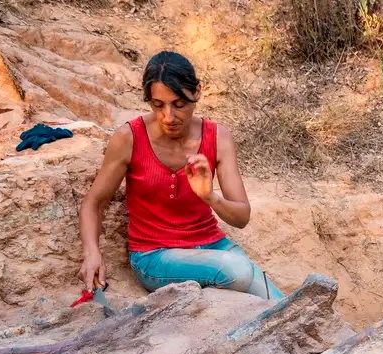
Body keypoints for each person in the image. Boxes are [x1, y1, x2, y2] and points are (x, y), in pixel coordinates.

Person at [78, 51, 283, 300]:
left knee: (283, 305)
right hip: (154, 256)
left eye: (179, 104)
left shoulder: (219, 138)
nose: (168, 116)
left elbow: (241, 217)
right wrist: (91, 252)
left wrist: (209, 197)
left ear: (197, 92)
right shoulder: (129, 138)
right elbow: (94, 202)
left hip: (213, 247)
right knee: (239, 271)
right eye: (158, 105)